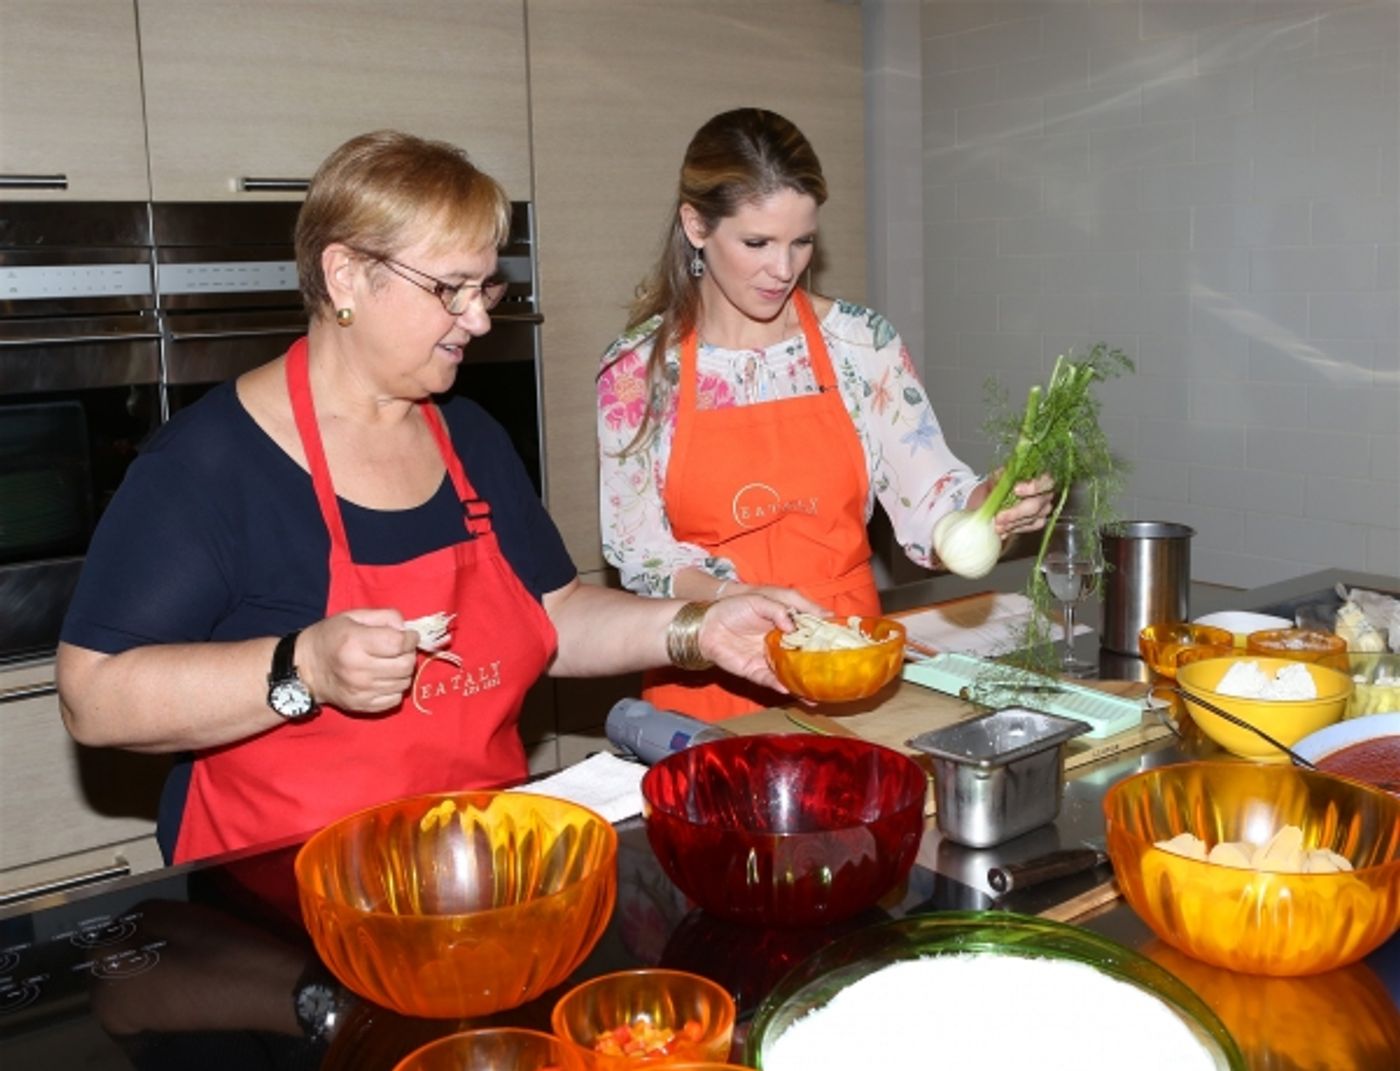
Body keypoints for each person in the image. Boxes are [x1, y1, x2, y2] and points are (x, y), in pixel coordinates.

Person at [56, 130, 801, 866]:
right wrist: (302, 667)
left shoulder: (468, 438)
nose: (477, 319)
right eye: (450, 288)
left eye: (486, 288)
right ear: (345, 275)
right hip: (281, 898)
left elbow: (555, 614)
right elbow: (93, 695)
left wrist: (699, 627)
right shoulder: (209, 465)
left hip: (480, 870)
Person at [597, 108, 1052, 720]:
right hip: (710, 674)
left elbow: (930, 507)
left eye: (801, 241)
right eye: (757, 243)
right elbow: (639, 553)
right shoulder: (637, 371)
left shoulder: (862, 345)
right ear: (696, 225)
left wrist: (988, 506)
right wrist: (735, 599)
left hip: (848, 663)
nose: (783, 270)